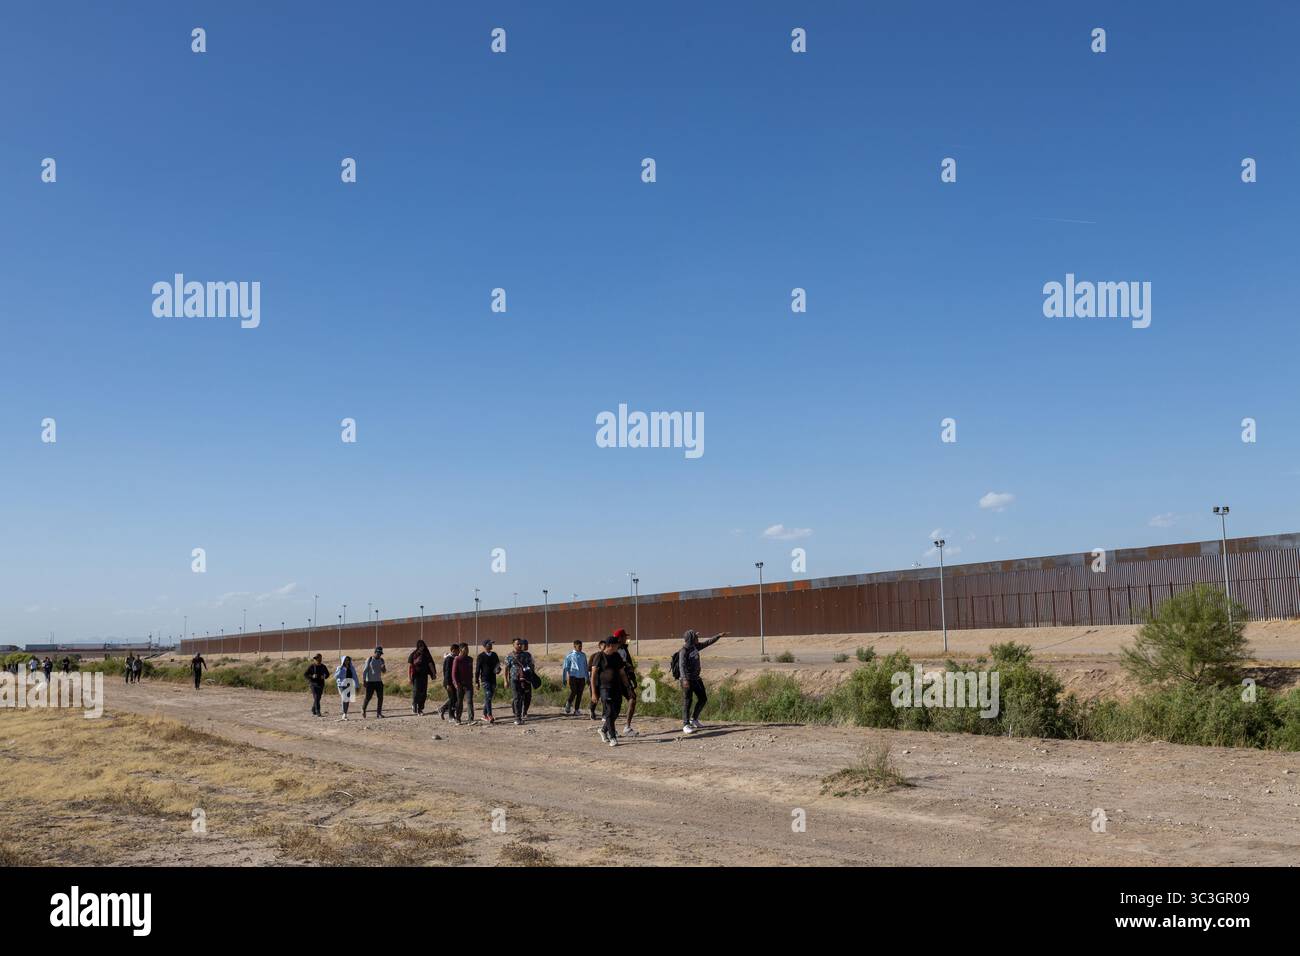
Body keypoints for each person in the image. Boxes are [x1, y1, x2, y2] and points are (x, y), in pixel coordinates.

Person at [678, 629, 728, 733]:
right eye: (696, 637)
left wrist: (718, 635)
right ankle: (686, 725)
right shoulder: (684, 651)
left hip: (696, 679)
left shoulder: (695, 647)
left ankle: (694, 719)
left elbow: (708, 642)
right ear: (691, 639)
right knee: (688, 701)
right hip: (687, 680)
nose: (698, 638)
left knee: (703, 698)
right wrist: (684, 679)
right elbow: (681, 666)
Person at [590, 639, 632, 747]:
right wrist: (594, 693)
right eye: (615, 645)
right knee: (609, 711)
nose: (617, 646)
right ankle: (613, 737)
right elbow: (593, 675)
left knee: (616, 711)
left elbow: (622, 673)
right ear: (609, 645)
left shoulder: (616, 656)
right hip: (604, 688)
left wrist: (628, 688)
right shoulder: (599, 656)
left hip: (616, 688)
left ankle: (603, 729)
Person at [612, 629, 640, 737]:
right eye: (624, 637)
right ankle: (610, 728)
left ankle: (627, 727)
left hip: (625, 680)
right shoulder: (612, 650)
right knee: (615, 706)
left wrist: (633, 678)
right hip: (615, 681)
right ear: (619, 638)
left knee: (632, 699)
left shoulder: (624, 648)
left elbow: (629, 664)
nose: (626, 639)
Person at [505, 638, 536, 725]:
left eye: (520, 644)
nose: (519, 645)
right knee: (517, 698)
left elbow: (531, 666)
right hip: (514, 680)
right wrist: (505, 680)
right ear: (513, 645)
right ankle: (517, 718)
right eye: (517, 644)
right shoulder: (509, 656)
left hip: (525, 680)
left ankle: (522, 713)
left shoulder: (527, 655)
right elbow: (506, 669)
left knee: (525, 697)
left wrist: (531, 677)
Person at [407, 640, 437, 715]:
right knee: (416, 691)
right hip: (416, 676)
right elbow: (410, 667)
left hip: (424, 676)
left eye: (423, 646)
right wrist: (409, 678)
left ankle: (420, 708)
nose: (422, 647)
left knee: (423, 693)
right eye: (420, 646)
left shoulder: (426, 654)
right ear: (417, 646)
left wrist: (433, 673)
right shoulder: (413, 654)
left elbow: (430, 664)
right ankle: (415, 705)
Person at [475, 640, 500, 724]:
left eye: (492, 644)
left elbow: (498, 665)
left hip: (493, 679)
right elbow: (477, 670)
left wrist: (498, 669)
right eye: (489, 644)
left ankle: (484, 714)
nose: (491, 645)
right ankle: (489, 715)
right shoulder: (481, 656)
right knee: (488, 695)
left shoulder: (494, 655)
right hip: (485, 679)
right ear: (485, 646)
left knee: (488, 697)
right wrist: (476, 681)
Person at [561, 640, 588, 716]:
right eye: (579, 646)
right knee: (574, 691)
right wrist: (564, 679)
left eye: (581, 646)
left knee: (580, 693)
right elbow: (565, 668)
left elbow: (585, 667)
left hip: (582, 677)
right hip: (573, 677)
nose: (580, 648)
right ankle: (568, 703)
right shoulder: (570, 655)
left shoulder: (583, 655)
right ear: (574, 646)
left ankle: (576, 710)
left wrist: (588, 678)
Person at [449, 643, 475, 723]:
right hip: (460, 685)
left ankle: (470, 719)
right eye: (465, 649)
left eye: (468, 648)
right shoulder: (457, 659)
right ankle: (458, 718)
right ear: (461, 650)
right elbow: (453, 673)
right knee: (459, 702)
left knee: (469, 701)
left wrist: (472, 680)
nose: (467, 650)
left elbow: (470, 672)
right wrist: (456, 684)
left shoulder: (470, 659)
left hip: (469, 685)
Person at [362, 646, 387, 718]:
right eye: (378, 653)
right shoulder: (369, 659)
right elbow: (365, 671)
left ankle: (379, 713)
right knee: (368, 697)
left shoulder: (382, 660)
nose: (379, 654)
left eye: (380, 653)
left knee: (380, 697)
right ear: (375, 652)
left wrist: (383, 668)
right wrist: (364, 681)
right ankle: (363, 709)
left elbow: (384, 672)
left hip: (378, 681)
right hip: (370, 682)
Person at [438, 644, 460, 719]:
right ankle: (451, 716)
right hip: (449, 683)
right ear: (453, 650)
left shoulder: (455, 658)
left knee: (455, 698)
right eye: (458, 650)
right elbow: (447, 672)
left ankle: (443, 709)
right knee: (452, 699)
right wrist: (448, 684)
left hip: (454, 682)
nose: (459, 652)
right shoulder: (449, 659)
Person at [335, 655, 359, 721]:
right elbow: (336, 676)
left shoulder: (351, 668)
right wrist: (340, 669)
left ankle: (345, 713)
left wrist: (357, 685)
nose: (347, 661)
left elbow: (355, 676)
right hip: (342, 685)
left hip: (350, 684)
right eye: (345, 660)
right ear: (343, 661)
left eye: (348, 660)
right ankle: (344, 713)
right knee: (344, 698)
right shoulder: (339, 668)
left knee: (347, 699)